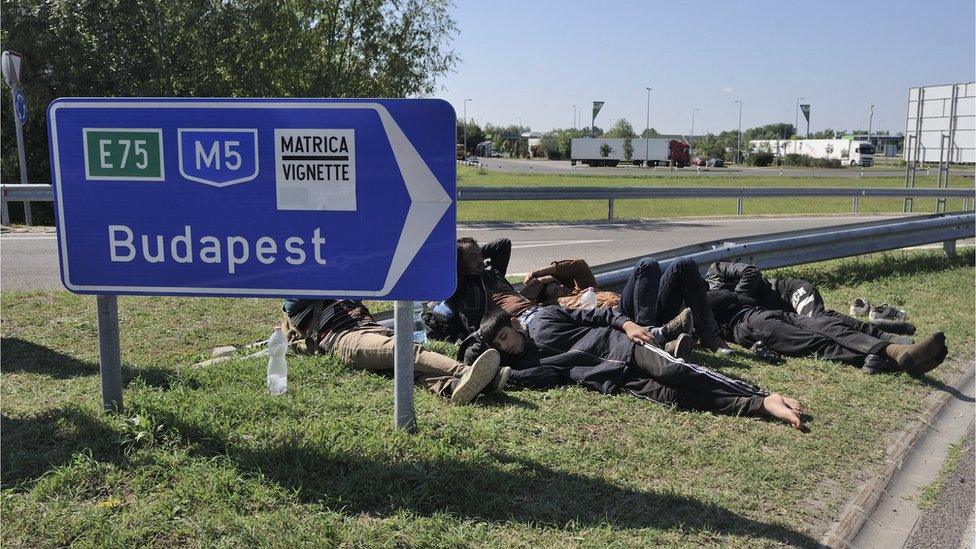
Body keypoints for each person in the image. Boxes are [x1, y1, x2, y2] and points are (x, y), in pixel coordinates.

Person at [477, 305, 804, 429]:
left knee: (672, 371)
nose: (507, 345)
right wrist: (499, 368)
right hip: (613, 379)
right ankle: (759, 405)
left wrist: (628, 325)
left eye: (505, 336)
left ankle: (762, 393)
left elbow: (598, 314)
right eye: (500, 346)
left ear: (516, 323)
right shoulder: (528, 363)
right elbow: (540, 377)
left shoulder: (546, 318)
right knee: (678, 398)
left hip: (622, 346)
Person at [449, 238, 730, 356]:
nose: (481, 260)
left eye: (480, 256)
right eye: (473, 258)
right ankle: (653, 337)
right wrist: (461, 257)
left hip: (627, 311)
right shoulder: (469, 291)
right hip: (627, 317)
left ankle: (711, 338)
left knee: (679, 264)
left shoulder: (494, 275)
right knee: (646, 266)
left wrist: (474, 252)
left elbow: (501, 245)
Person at [281, 299, 508, 404]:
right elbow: (302, 291)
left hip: (373, 330)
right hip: (344, 338)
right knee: (406, 351)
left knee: (408, 368)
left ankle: (453, 387)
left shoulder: (346, 289)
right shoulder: (294, 298)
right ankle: (467, 372)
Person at [705, 290, 947, 374]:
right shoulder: (692, 305)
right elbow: (729, 298)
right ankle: (891, 357)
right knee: (815, 342)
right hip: (747, 325)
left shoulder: (707, 289)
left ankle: (895, 351)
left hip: (767, 313)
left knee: (825, 325)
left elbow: (742, 288)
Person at [705, 261, 916, 336]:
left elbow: (751, 271)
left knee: (818, 320)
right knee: (823, 322)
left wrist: (740, 296)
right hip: (784, 314)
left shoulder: (716, 271)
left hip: (788, 291)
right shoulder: (711, 308)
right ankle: (879, 328)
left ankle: (880, 332)